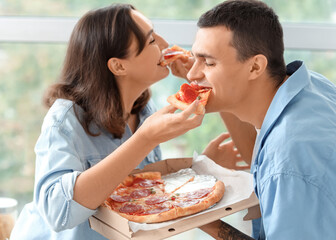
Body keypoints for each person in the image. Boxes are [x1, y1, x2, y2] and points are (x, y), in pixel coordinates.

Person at [10, 4, 205, 239]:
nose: (165, 46)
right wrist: (144, 139)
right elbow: (57, 212)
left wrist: (198, 171)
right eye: (152, 40)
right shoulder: (65, 120)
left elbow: (145, 191)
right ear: (118, 65)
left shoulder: (143, 111)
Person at [172, 0, 336, 239]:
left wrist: (205, 221)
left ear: (255, 67)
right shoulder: (314, 86)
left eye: (208, 62)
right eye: (194, 57)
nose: (191, 74)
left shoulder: (289, 161)